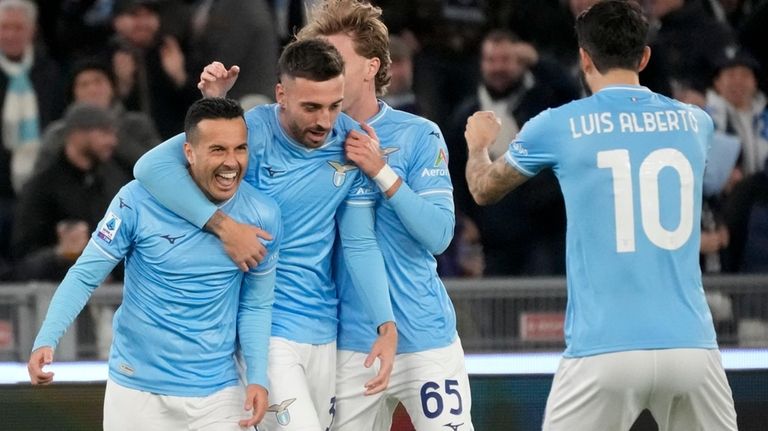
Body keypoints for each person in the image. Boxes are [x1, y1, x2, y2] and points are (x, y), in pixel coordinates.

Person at [464, 1, 737, 429]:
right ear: (644, 56)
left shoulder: (557, 125)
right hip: (692, 348)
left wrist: (478, 144)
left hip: (604, 348)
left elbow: (482, 188)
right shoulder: (695, 123)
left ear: (584, 57)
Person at [133, 38, 396, 430]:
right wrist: (223, 226)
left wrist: (386, 324)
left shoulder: (354, 143)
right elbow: (149, 169)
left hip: (324, 328)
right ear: (281, 95)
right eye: (311, 107)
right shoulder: (248, 132)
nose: (325, 121)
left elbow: (358, 241)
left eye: (334, 105)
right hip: (264, 326)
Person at [27, 97, 282, 430]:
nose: (232, 163)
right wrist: (47, 337)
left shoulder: (263, 215)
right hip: (137, 392)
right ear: (189, 153)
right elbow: (85, 276)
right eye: (218, 150)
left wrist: (257, 377)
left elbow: (256, 305)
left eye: (240, 149)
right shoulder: (136, 200)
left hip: (217, 395)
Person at [297, 1, 474, 429]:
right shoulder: (304, 141)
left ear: (371, 67)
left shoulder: (418, 135)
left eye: (337, 60)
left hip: (422, 337)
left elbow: (439, 235)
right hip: (345, 344)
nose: (326, 70)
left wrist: (381, 171)